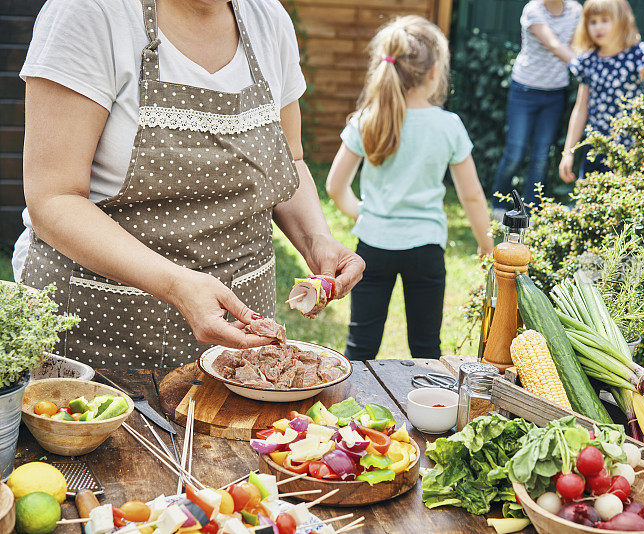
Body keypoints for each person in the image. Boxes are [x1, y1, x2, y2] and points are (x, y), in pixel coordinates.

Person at [11, 0, 364, 367]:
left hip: (241, 345)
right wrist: (177, 285)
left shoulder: (269, 19)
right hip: (101, 335)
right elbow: (53, 198)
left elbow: (288, 158)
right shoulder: (90, 12)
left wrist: (315, 239)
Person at [325, 16, 493, 361]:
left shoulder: (366, 119)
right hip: (425, 250)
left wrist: (365, 213)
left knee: (361, 346)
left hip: (372, 247)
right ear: (434, 73)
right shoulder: (449, 126)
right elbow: (472, 195)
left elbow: (334, 187)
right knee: (427, 348)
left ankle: (345, 413)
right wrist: (485, 244)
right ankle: (429, 412)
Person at [490, 0, 582, 217]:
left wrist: (583, 60)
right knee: (515, 153)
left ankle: (529, 212)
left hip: (555, 93)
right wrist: (587, 68)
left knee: (541, 156)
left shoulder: (576, 11)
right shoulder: (533, 10)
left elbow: (577, 45)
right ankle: (498, 205)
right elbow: (553, 44)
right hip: (524, 90)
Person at [558, 0, 644, 183]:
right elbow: (581, 109)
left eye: (605, 20)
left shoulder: (639, 56)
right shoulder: (588, 61)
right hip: (596, 149)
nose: (598, 27)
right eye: (593, 21)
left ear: (621, 20)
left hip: (631, 151)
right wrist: (568, 152)